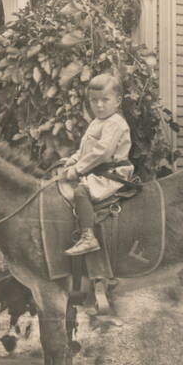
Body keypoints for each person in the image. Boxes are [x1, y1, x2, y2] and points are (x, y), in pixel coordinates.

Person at [62, 73, 133, 256]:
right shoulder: (97, 122)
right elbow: (87, 149)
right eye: (94, 101)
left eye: (105, 100)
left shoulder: (115, 123)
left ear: (117, 101)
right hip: (99, 171)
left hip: (111, 174)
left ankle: (88, 237)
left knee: (81, 191)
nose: (99, 105)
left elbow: (102, 152)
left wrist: (77, 170)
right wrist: (73, 159)